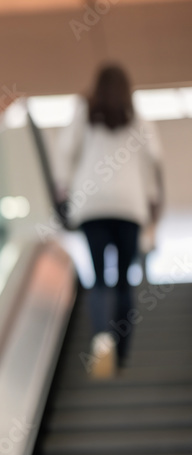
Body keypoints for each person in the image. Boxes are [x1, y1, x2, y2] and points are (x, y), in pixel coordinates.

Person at [55, 63, 164, 377]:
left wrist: (64, 188)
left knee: (100, 277)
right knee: (123, 282)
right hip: (129, 205)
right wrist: (153, 197)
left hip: (92, 204)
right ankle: (123, 353)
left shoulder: (84, 113)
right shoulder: (137, 118)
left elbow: (65, 151)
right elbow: (153, 159)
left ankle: (102, 338)